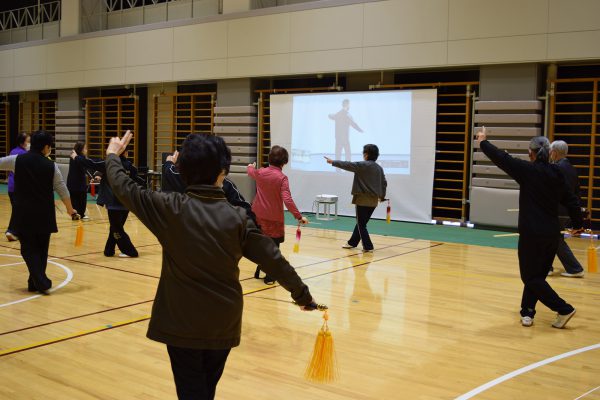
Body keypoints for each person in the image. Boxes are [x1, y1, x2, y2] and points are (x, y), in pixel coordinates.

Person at [104, 131, 315, 400]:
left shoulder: (167, 207)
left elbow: (124, 186)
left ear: (182, 170)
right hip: (222, 322)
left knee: (192, 392)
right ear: (222, 172)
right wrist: (302, 295)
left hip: (181, 323)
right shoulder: (238, 218)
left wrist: (113, 155)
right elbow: (273, 259)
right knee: (205, 390)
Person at [477, 128, 583, 329]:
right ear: (550, 153)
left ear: (531, 153)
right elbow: (572, 201)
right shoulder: (557, 173)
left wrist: (483, 141)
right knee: (538, 276)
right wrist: (578, 225)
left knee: (530, 277)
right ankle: (527, 311)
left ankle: (563, 308)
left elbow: (501, 158)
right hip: (551, 235)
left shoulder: (527, 170)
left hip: (532, 235)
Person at [0, 130, 78, 293]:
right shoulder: (51, 165)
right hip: (45, 214)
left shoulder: (17, 160)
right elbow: (62, 189)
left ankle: (36, 281)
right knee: (41, 250)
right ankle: (37, 282)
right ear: (46, 147)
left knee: (28, 249)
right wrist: (70, 210)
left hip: (23, 214)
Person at [247, 145, 308, 284]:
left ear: (269, 159)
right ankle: (270, 277)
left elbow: (250, 171)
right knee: (273, 249)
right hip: (273, 219)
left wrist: (251, 165)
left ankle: (261, 268)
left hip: (257, 217)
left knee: (261, 246)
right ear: (284, 162)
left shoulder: (261, 172)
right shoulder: (282, 178)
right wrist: (299, 216)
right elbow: (287, 199)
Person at [162, 149, 257, 223]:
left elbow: (169, 171)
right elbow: (245, 211)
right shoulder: (226, 184)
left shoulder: (182, 178)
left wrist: (169, 162)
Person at [325, 144, 387, 253]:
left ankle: (368, 246)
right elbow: (384, 183)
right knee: (361, 222)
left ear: (366, 154)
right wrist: (382, 196)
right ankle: (352, 242)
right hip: (373, 201)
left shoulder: (362, 165)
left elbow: (347, 165)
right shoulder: (379, 168)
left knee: (361, 224)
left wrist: (333, 162)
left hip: (362, 199)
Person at [548, 140, 585, 278]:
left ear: (555, 152)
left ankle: (575, 268)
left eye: (551, 151)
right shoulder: (571, 168)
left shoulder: (556, 168)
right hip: (567, 211)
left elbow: (553, 191)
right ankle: (547, 267)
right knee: (552, 238)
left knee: (554, 239)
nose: (550, 154)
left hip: (558, 210)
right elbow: (577, 192)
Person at [95, 151, 140, 258]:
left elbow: (91, 164)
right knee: (116, 227)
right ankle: (109, 250)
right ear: (126, 153)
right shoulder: (131, 167)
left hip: (114, 203)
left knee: (117, 229)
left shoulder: (110, 165)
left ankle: (130, 251)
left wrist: (77, 157)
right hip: (126, 202)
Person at [5, 132, 30, 242]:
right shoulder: (23, 155)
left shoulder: (13, 151)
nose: (30, 143)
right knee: (18, 210)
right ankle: (11, 231)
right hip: (18, 187)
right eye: (28, 141)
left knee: (19, 210)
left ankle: (19, 231)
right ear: (22, 142)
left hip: (11, 187)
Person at [67, 142, 96, 220]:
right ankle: (81, 214)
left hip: (71, 182)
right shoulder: (80, 158)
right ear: (81, 149)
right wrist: (91, 177)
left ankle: (75, 214)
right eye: (85, 148)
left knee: (74, 199)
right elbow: (84, 168)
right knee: (82, 199)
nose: (86, 150)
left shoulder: (73, 156)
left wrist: (90, 177)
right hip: (79, 183)